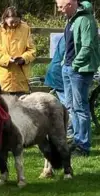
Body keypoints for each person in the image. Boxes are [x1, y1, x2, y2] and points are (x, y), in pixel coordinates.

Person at [55, 0, 100, 156]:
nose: (59, 10)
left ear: (70, 3)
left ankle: (83, 145)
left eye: (60, 7)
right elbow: (69, 44)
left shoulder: (85, 19)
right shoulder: (71, 19)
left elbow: (87, 46)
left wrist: (74, 64)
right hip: (68, 68)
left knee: (80, 108)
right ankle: (75, 140)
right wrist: (64, 63)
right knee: (70, 106)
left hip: (80, 70)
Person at [0, 7, 36, 95]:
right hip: (2, 77)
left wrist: (23, 58)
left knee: (21, 106)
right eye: (12, 22)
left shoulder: (25, 29)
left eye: (17, 21)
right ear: (5, 19)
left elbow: (32, 50)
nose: (14, 24)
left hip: (21, 78)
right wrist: (6, 59)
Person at [44, 35, 74, 140]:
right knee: (70, 106)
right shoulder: (71, 36)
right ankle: (69, 135)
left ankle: (67, 133)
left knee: (68, 105)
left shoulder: (67, 35)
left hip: (58, 72)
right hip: (60, 74)